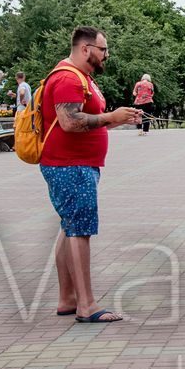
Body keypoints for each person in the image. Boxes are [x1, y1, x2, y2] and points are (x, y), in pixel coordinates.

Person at [40, 26, 142, 323]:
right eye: (103, 49)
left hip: (77, 164)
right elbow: (69, 122)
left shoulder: (81, 78)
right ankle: (86, 305)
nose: (106, 55)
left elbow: (88, 122)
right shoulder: (67, 78)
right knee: (79, 230)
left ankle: (68, 298)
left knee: (70, 226)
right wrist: (111, 116)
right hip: (70, 166)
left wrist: (117, 120)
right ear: (86, 49)